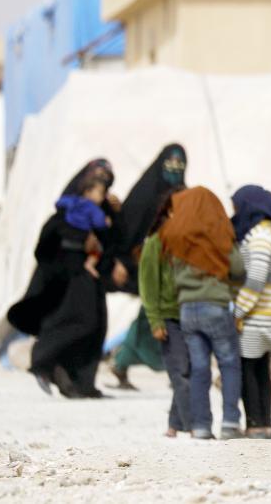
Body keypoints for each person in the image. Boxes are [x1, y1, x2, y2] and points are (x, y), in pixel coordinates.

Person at [8, 159, 121, 398]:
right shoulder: (66, 213)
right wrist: (81, 243)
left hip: (90, 275)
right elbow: (48, 244)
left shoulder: (103, 209)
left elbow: (110, 237)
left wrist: (113, 216)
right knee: (80, 321)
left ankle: (79, 383)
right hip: (67, 277)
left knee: (95, 326)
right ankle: (43, 359)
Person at [159, 186, 246, 440]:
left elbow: (171, 277)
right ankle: (230, 423)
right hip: (215, 306)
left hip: (187, 310)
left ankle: (200, 427)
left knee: (199, 368)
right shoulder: (218, 235)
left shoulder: (176, 238)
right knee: (229, 363)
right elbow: (239, 269)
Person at [110, 144, 188, 390]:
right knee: (152, 313)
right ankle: (176, 369)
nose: (175, 169)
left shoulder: (183, 194)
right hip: (147, 264)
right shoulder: (145, 193)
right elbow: (127, 229)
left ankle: (127, 363)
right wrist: (122, 261)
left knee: (161, 315)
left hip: (175, 267)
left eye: (179, 165)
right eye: (170, 164)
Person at [231, 185, 271, 439]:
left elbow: (256, 279)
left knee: (249, 370)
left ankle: (255, 424)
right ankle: (265, 424)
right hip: (270, 313)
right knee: (261, 369)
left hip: (256, 315)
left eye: (236, 207)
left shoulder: (259, 237)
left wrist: (239, 310)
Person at [138, 189, 190, 437]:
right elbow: (147, 286)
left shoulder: (191, 242)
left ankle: (174, 424)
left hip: (192, 315)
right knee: (180, 371)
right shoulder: (155, 243)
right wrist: (155, 320)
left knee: (189, 369)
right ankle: (192, 424)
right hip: (169, 318)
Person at [54, 177, 112, 280]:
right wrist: (106, 222)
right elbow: (99, 223)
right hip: (82, 236)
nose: (103, 197)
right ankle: (90, 264)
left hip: (67, 234)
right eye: (101, 193)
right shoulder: (93, 208)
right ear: (88, 192)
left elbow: (59, 202)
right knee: (98, 249)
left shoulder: (74, 199)